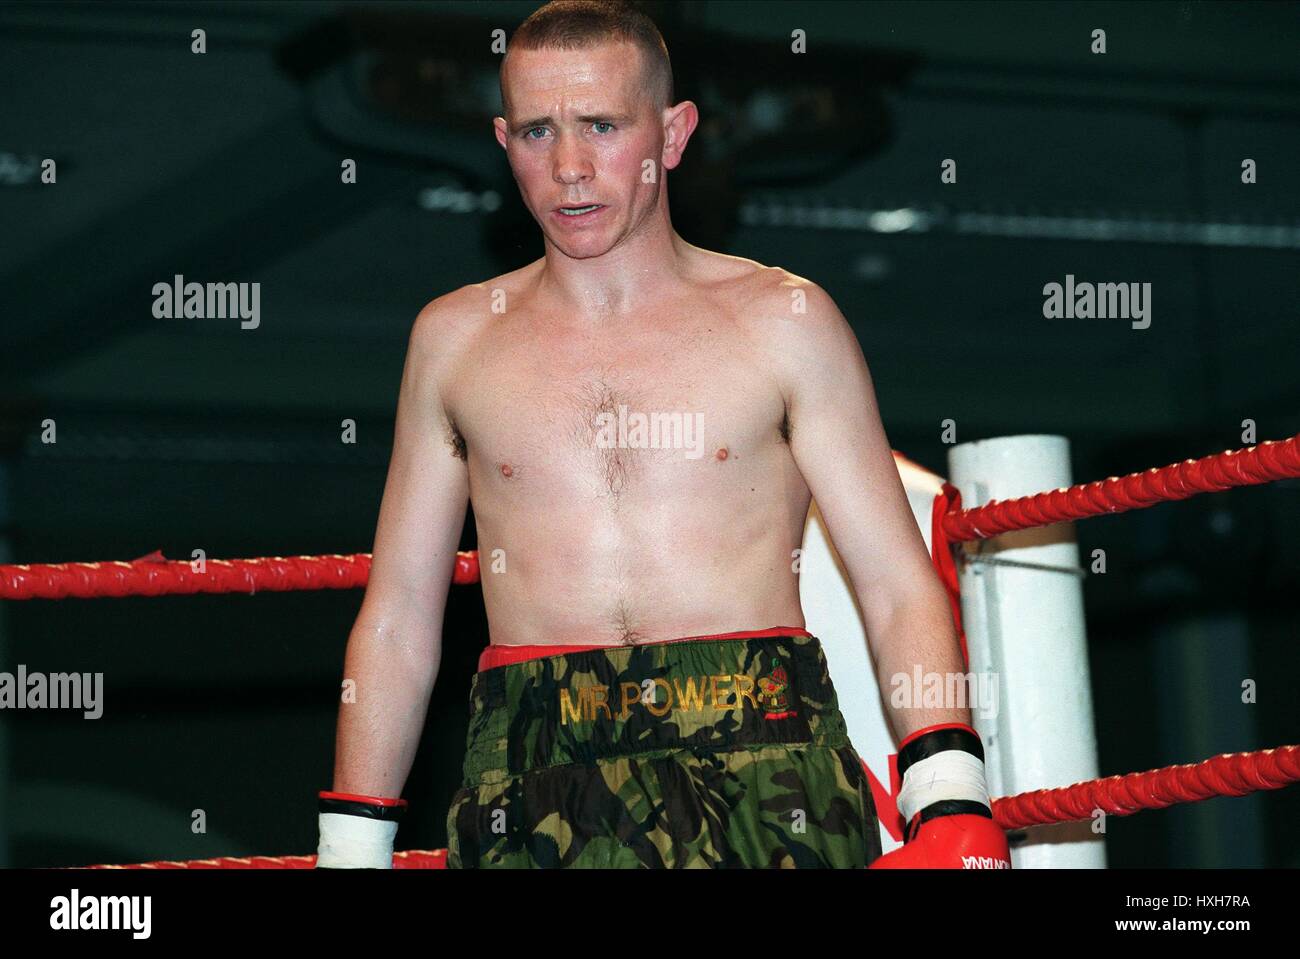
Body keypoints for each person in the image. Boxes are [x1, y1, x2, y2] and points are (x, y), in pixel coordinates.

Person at [316, 0, 1010, 869]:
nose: (569, 167)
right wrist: (350, 845)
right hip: (534, 764)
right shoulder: (454, 341)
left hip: (761, 758)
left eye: (601, 125)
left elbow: (895, 577)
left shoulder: (784, 321)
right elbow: (400, 614)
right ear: (502, 142)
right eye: (537, 132)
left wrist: (949, 796)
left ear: (673, 135)